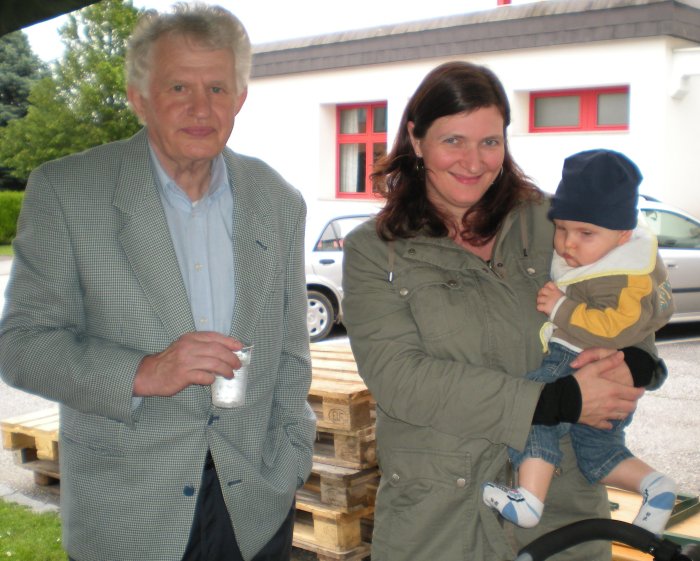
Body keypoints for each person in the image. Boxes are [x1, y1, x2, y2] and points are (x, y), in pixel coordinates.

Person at [0, 4, 316, 561]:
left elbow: (291, 355)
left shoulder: (277, 201)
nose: (201, 108)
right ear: (138, 97)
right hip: (128, 510)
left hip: (254, 509)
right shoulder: (69, 192)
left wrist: (291, 459)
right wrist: (144, 372)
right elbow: (21, 346)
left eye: (217, 88)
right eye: (178, 87)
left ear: (240, 98)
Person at [341, 61, 667, 561]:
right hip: (439, 524)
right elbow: (400, 379)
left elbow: (626, 303)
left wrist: (635, 365)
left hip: (565, 516)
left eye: (490, 142)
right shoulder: (376, 249)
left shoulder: (553, 223)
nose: (474, 162)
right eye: (453, 141)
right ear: (417, 138)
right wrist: (554, 401)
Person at [482, 149, 677, 534]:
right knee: (597, 452)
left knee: (532, 410)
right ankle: (654, 487)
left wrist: (561, 308)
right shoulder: (605, 255)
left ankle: (529, 499)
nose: (568, 244)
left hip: (574, 358)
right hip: (599, 370)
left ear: (623, 235)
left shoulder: (626, 274)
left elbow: (618, 327)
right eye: (562, 229)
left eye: (586, 233)